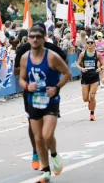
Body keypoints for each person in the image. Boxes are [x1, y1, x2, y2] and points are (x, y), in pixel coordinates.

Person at [19, 24, 71, 182]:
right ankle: (46, 171)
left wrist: (56, 88)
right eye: (32, 36)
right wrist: (28, 86)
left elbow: (67, 73)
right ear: (28, 39)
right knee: (38, 138)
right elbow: (21, 78)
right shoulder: (24, 57)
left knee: (47, 135)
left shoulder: (52, 57)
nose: (34, 39)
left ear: (43, 39)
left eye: (38, 36)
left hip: (50, 100)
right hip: (33, 100)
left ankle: (54, 155)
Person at [78, 34, 103, 121]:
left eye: (91, 42)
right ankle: (89, 102)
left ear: (94, 44)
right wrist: (81, 68)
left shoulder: (98, 54)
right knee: (85, 99)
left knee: (92, 96)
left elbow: (103, 64)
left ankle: (92, 114)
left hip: (94, 77)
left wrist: (100, 68)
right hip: (85, 77)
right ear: (86, 44)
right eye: (88, 42)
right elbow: (77, 64)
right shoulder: (82, 54)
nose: (89, 44)